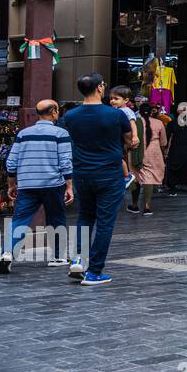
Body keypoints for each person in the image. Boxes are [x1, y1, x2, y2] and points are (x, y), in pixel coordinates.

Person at [59, 72, 134, 286]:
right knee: (105, 223)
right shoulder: (116, 115)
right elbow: (130, 141)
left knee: (85, 217)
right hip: (109, 173)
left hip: (82, 173)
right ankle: (94, 272)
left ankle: (78, 260)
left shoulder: (70, 117)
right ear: (100, 88)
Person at [0, 100, 74, 274]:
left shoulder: (24, 134)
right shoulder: (61, 133)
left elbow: (11, 162)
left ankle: (7, 253)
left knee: (19, 221)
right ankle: (58, 256)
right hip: (53, 184)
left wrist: (11, 184)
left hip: (27, 184)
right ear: (54, 112)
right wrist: (69, 186)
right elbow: (65, 162)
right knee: (56, 219)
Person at [127, 101, 168, 215]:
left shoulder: (135, 122)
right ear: (151, 112)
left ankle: (135, 205)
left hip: (137, 151)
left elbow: (128, 138)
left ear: (139, 112)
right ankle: (147, 207)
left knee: (135, 177)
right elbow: (163, 142)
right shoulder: (159, 123)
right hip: (154, 151)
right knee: (149, 178)